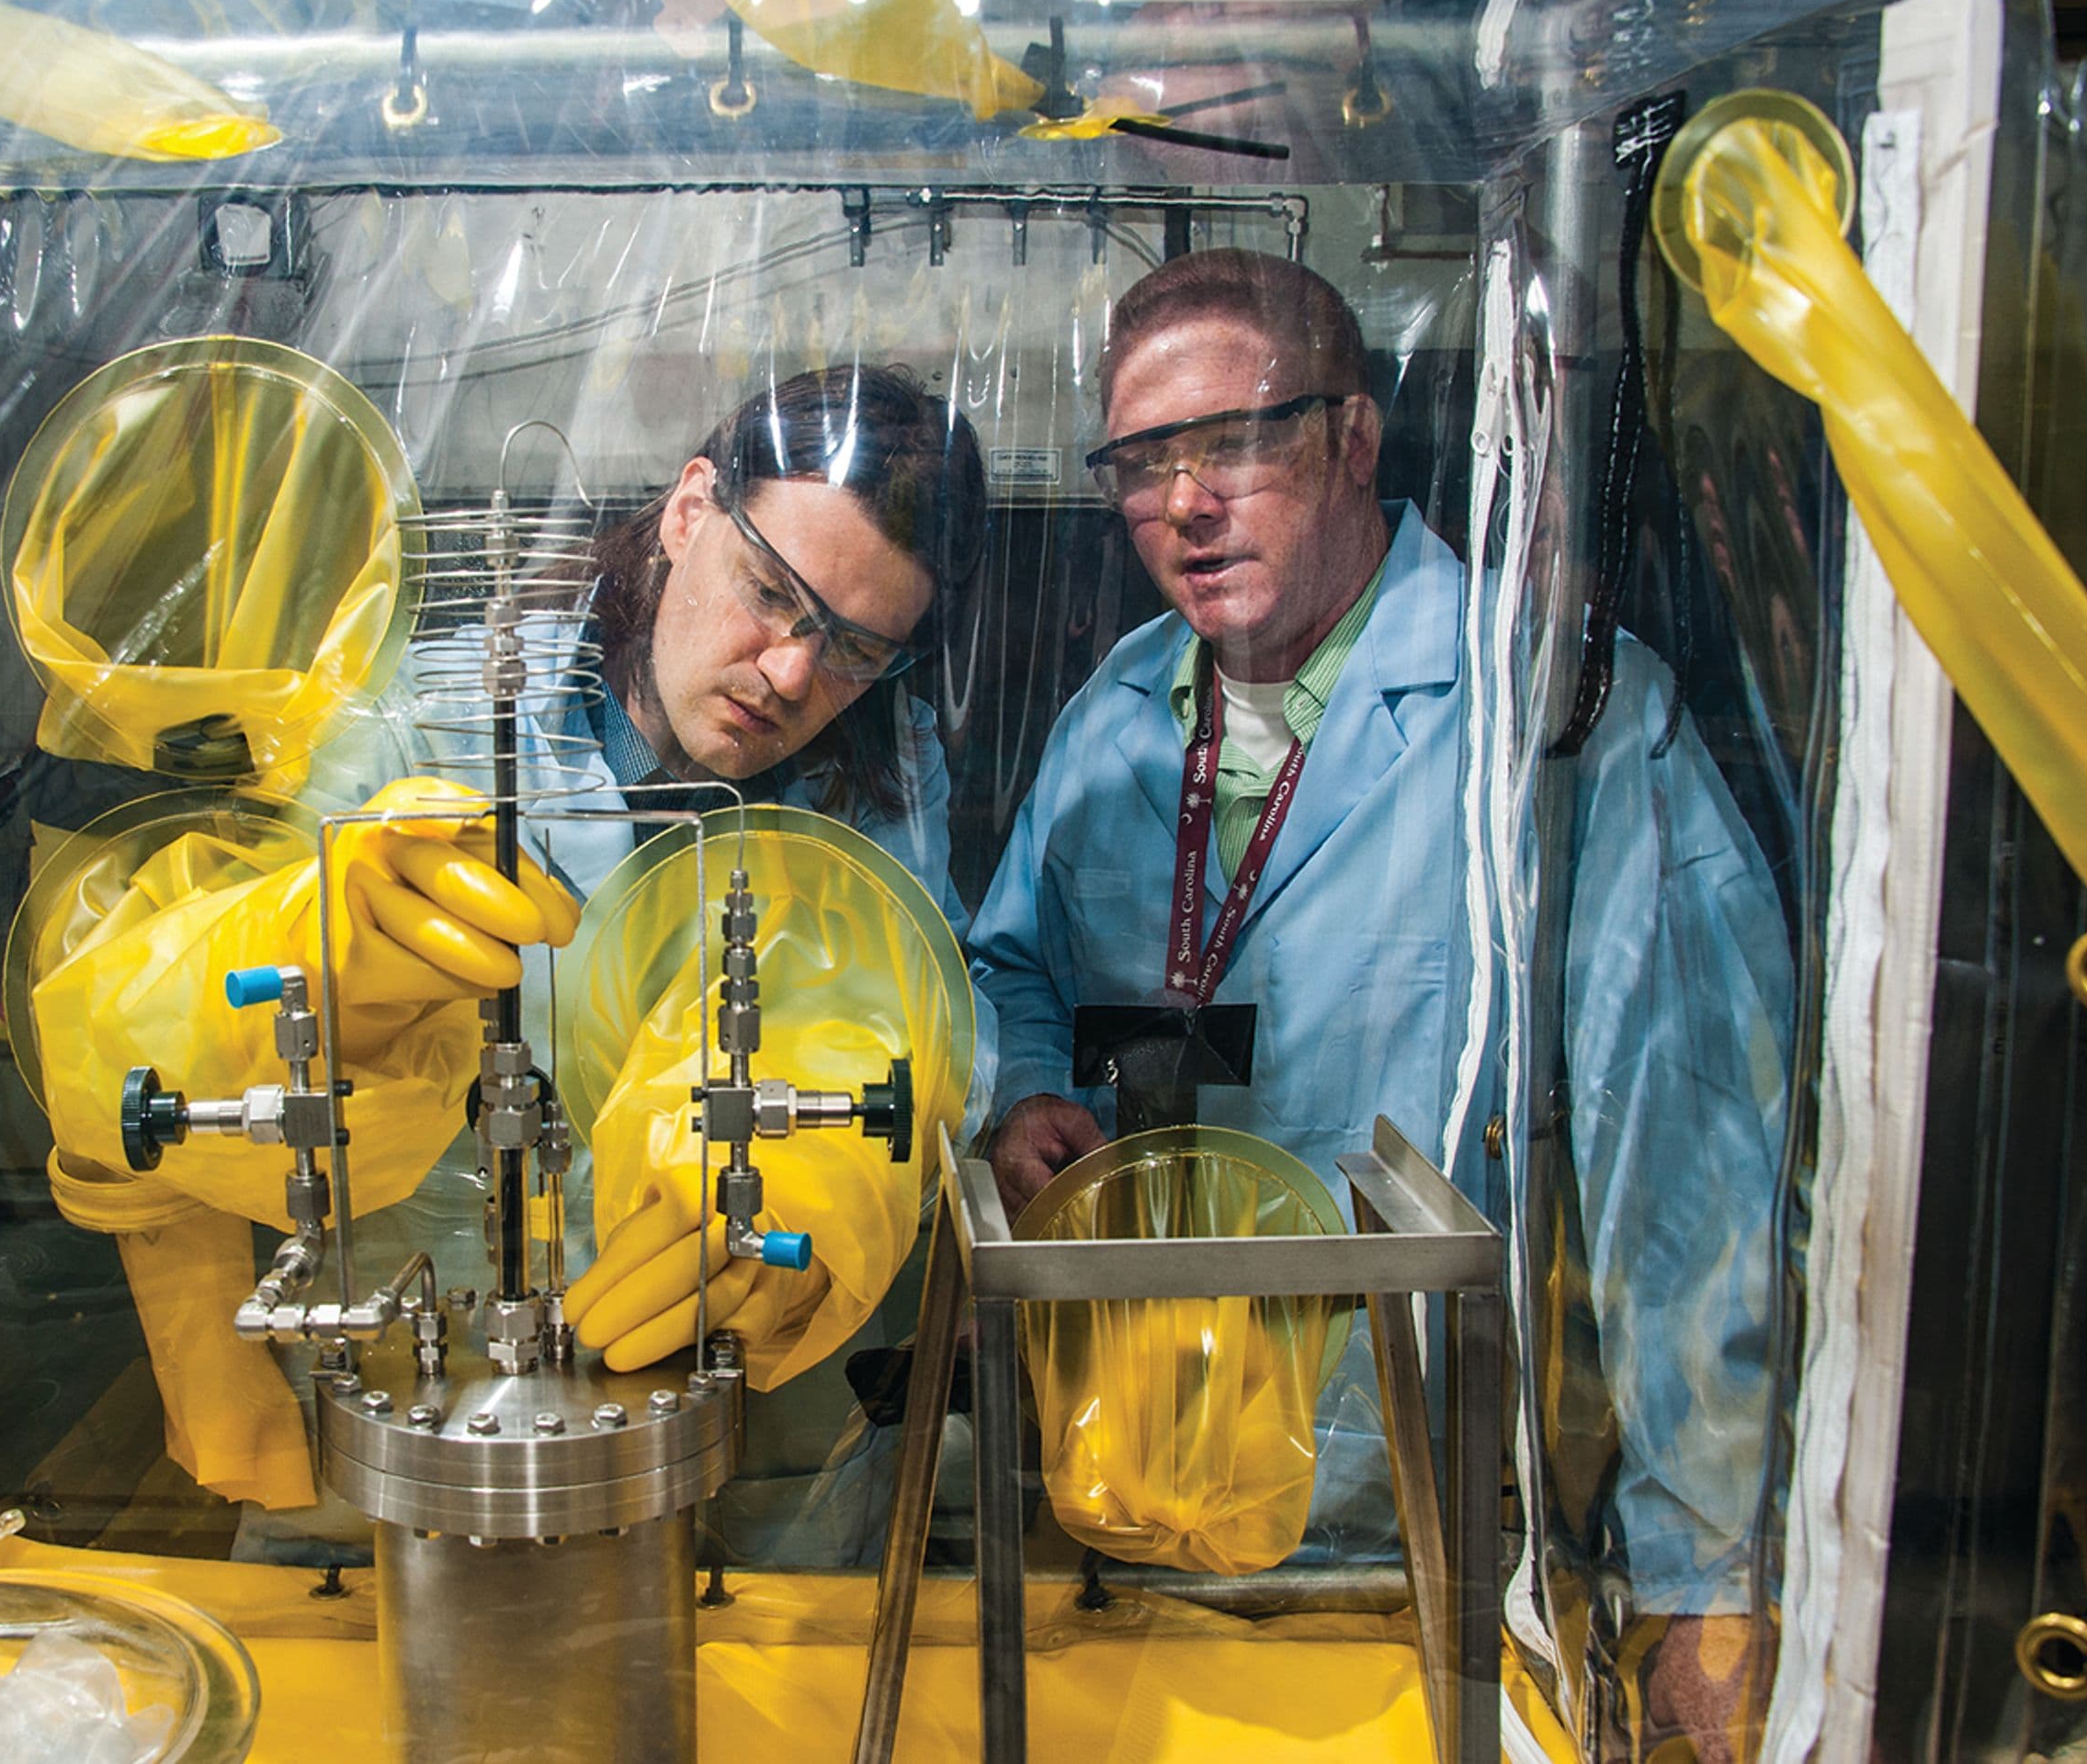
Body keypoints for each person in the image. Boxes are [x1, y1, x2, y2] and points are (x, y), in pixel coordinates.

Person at [966, 249, 1790, 1750]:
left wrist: (1702, 1578)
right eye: (1142, 462)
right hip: (1136, 1507)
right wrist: (1025, 1086)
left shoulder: (1555, 716)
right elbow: (1013, 960)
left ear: (1355, 436)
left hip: (1430, 1534)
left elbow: (1691, 1176)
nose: (1186, 504)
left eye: (1235, 442)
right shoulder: (1116, 718)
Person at [240, 361, 992, 1567]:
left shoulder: (880, 779)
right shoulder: (429, 720)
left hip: (745, 1441)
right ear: (691, 509)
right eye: (772, 594)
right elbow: (228, 1021)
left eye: (855, 647)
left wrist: (826, 1181)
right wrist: (316, 964)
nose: (793, 676)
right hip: (423, 1415)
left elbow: (942, 1023)